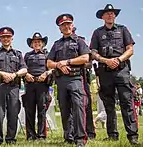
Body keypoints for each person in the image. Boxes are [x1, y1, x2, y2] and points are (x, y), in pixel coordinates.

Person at [90, 4, 138, 144]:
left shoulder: (123, 30)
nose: (110, 15)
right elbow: (93, 52)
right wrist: (105, 60)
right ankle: (112, 135)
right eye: (107, 13)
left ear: (115, 16)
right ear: (103, 17)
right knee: (108, 104)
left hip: (122, 70)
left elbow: (130, 50)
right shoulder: (97, 33)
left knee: (127, 103)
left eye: (112, 13)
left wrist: (118, 59)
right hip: (105, 71)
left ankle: (132, 135)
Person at [47, 14, 90, 147]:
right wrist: (59, 65)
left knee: (78, 108)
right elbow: (49, 62)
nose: (66, 26)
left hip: (76, 79)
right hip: (61, 80)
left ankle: (80, 138)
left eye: (68, 24)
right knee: (64, 109)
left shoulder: (79, 41)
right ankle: (68, 136)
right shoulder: (57, 44)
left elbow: (85, 58)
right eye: (63, 25)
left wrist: (68, 62)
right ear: (60, 28)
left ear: (72, 25)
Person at [0, 27, 27, 146]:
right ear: (0, 39)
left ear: (12, 38)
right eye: (3, 37)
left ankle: (10, 139)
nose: (6, 39)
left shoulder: (18, 54)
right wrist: (2, 73)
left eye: (8, 37)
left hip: (13, 87)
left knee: (13, 113)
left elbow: (24, 69)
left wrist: (14, 74)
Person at [23, 32, 53, 140]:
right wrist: (26, 74)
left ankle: (41, 135)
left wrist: (46, 73)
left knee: (42, 111)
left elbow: (52, 68)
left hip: (42, 85)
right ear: (31, 44)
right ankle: (30, 135)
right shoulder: (27, 55)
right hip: (30, 85)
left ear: (43, 43)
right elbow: (22, 68)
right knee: (29, 111)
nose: (37, 43)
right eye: (35, 42)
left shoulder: (47, 55)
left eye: (39, 42)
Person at [73, 27, 96, 139]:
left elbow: (89, 63)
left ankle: (90, 132)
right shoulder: (62, 44)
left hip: (83, 78)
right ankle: (73, 132)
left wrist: (76, 63)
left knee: (86, 105)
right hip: (70, 79)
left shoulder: (81, 41)